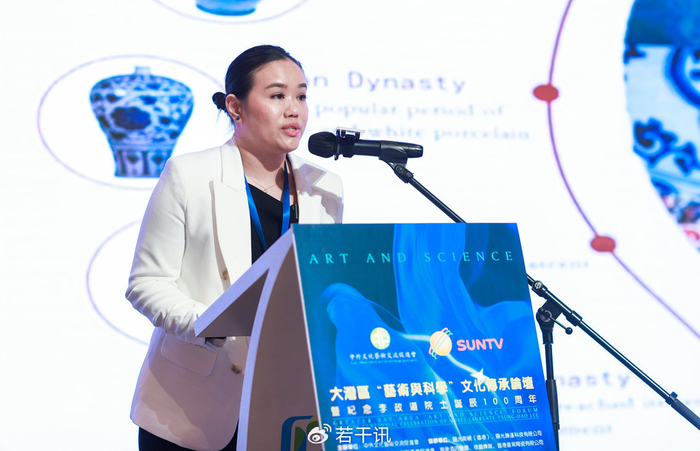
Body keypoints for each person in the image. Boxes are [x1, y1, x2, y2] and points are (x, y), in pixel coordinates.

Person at [125, 45, 343, 451]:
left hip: (286, 404)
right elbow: (147, 283)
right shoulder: (189, 175)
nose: (294, 110)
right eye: (277, 95)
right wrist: (210, 324)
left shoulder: (324, 188)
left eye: (301, 96)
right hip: (192, 407)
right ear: (235, 107)